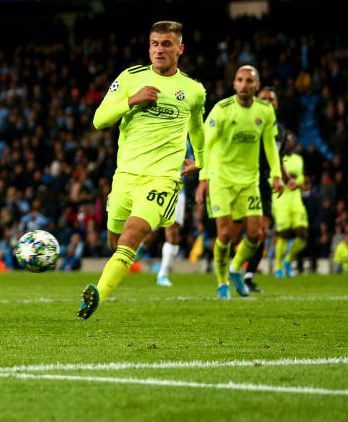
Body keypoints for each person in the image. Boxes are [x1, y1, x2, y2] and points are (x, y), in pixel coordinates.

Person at [78, 20, 206, 319]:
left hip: (162, 178)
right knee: (115, 239)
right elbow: (99, 120)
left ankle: (96, 296)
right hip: (125, 175)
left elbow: (197, 128)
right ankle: (121, 267)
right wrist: (132, 100)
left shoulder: (193, 90)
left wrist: (201, 159)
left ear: (180, 49)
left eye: (166, 44)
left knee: (132, 234)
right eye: (154, 44)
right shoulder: (130, 77)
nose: (159, 50)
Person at [196, 66, 283, 299]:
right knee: (225, 236)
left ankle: (235, 270)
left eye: (249, 81)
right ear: (234, 84)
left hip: (250, 181)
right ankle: (222, 283)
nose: (244, 85)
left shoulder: (265, 111)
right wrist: (203, 179)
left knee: (256, 235)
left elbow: (270, 145)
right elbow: (206, 144)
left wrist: (277, 174)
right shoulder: (222, 110)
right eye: (240, 80)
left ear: (256, 85)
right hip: (220, 179)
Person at [243, 86, 287, 292]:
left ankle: (248, 275)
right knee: (234, 234)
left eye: (271, 99)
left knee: (263, 231)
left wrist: (284, 178)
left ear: (276, 104)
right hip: (244, 180)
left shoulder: (282, 131)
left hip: (265, 183)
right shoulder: (249, 123)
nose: (267, 102)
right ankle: (230, 270)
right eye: (263, 99)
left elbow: (277, 157)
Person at [155, 142, 197, 287]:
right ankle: (138, 248)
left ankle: (163, 274)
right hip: (156, 187)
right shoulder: (157, 133)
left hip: (178, 191)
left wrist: (192, 167)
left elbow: (190, 162)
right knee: (148, 231)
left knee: (172, 232)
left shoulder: (184, 140)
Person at [273, 132, 309, 278]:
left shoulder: (299, 159)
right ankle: (279, 267)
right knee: (284, 234)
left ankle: (288, 261)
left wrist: (297, 181)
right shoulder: (275, 159)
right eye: (287, 141)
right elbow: (271, 180)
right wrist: (283, 178)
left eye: (291, 141)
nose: (289, 143)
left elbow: (301, 179)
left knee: (302, 234)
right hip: (280, 199)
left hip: (295, 200)